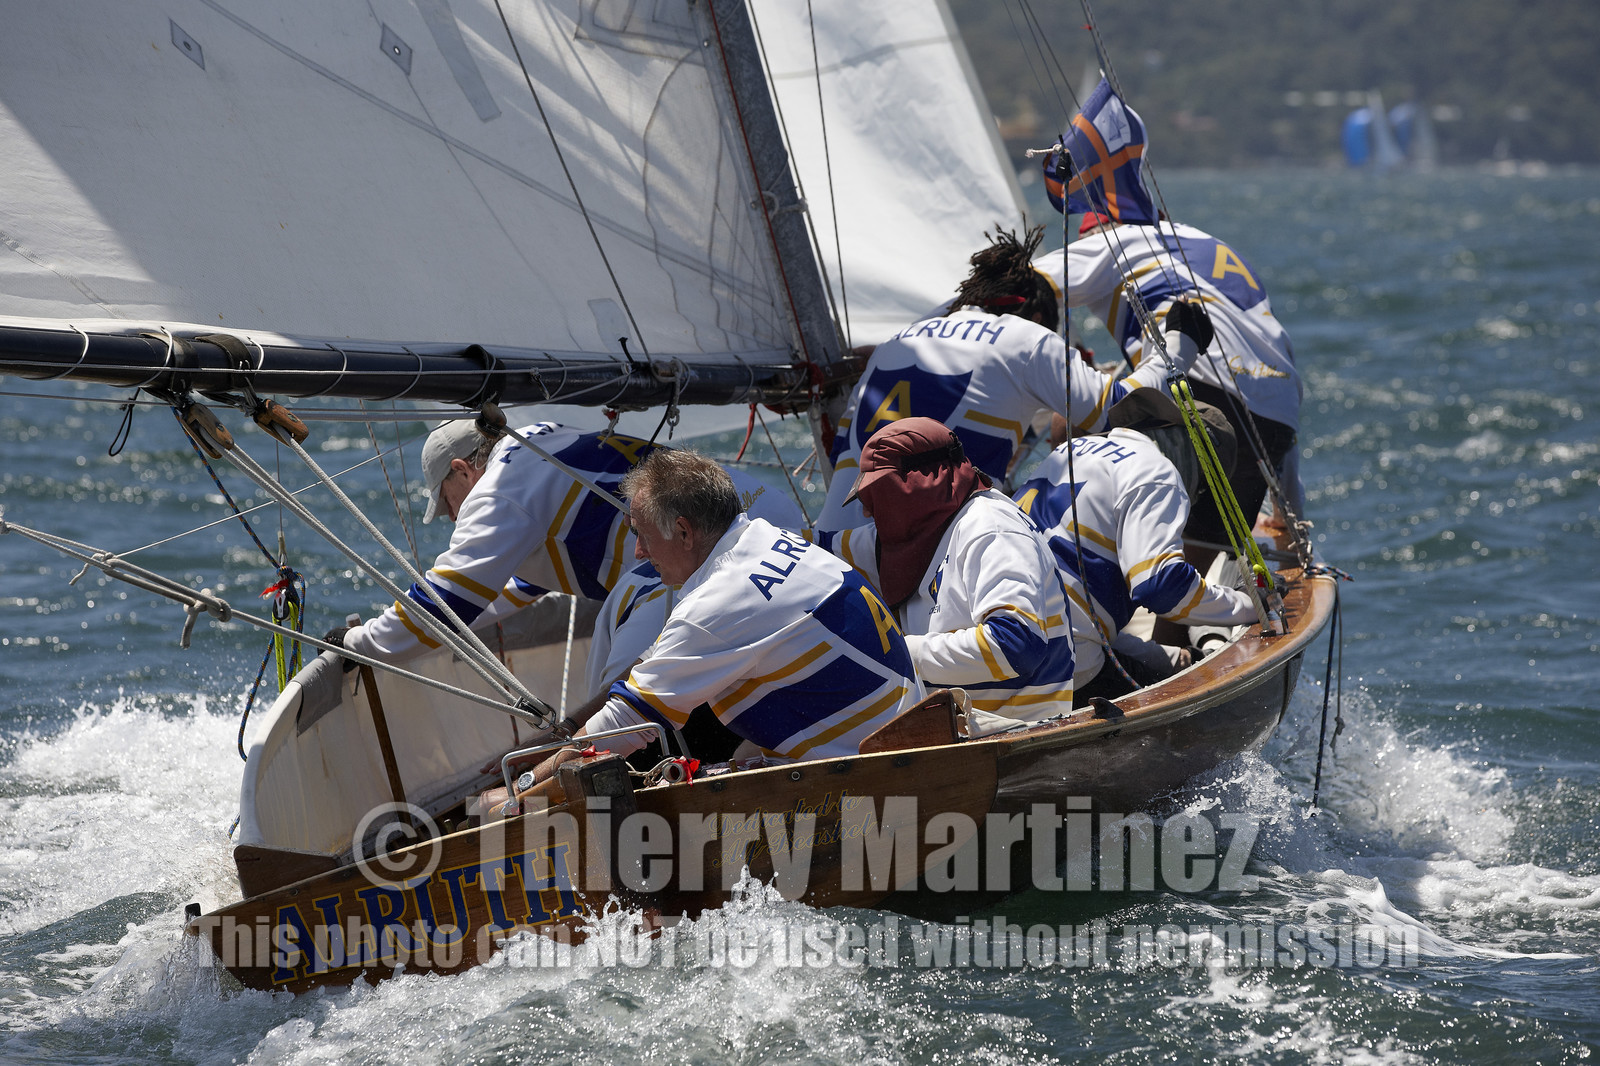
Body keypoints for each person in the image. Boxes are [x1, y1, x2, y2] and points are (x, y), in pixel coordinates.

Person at [537, 449, 922, 770]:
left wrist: (519, 789)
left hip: (876, 773)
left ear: (685, 532)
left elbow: (620, 729)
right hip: (908, 735)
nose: (639, 552)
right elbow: (654, 661)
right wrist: (570, 725)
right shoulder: (769, 538)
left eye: (641, 534)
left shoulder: (715, 607)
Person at [814, 225, 1204, 533]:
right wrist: (1181, 343)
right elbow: (1123, 408)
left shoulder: (894, 344)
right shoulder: (1027, 340)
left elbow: (842, 456)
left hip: (842, 556)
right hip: (921, 573)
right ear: (1037, 317)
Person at [333, 420, 798, 664]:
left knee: (618, 685)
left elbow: (447, 602)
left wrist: (358, 642)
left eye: (447, 502)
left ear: (461, 470)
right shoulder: (539, 435)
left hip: (706, 550)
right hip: (761, 509)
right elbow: (521, 583)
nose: (452, 516)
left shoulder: (498, 492)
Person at [1033, 213, 1304, 541]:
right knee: (1203, 543)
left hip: (1203, 399)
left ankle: (1062, 537)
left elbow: (1017, 287)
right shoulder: (1204, 243)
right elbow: (1271, 393)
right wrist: (1289, 521)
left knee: (1069, 416)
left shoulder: (1115, 241)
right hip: (1277, 424)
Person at [818, 417, 1076, 735]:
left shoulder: (990, 528)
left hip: (1016, 730)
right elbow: (814, 552)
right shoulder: (915, 529)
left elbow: (1016, 645)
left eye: (877, 496)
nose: (868, 512)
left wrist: (892, 651)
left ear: (918, 484)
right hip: (950, 726)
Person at [1013, 390, 1258, 702]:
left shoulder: (1073, 450)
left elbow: (1080, 612)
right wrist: (1248, 606)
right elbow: (1161, 587)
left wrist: (1165, 656)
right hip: (1058, 669)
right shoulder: (1157, 473)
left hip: (1006, 643)